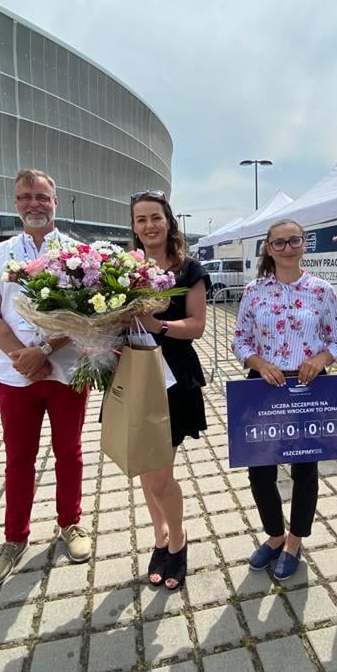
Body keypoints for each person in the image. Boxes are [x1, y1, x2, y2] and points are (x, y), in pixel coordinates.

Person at [0, 169, 92, 588]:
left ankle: (70, 525)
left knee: (70, 452)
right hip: (13, 374)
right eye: (25, 197)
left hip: (65, 370)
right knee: (19, 459)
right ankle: (13, 539)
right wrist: (21, 357)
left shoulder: (78, 253)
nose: (34, 204)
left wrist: (44, 351)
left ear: (55, 202)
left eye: (42, 197)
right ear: (15, 204)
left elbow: (87, 315)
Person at [232, 219, 337, 580]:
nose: (287, 248)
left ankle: (296, 539)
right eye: (278, 243)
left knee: (304, 468)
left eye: (293, 240)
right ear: (268, 248)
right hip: (264, 385)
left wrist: (320, 359)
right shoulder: (254, 291)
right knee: (260, 470)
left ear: (304, 243)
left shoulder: (321, 290)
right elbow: (240, 340)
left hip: (309, 388)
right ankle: (275, 535)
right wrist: (258, 362)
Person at [130, 190, 209, 590]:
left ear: (169, 221)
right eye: (141, 219)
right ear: (134, 226)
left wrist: (157, 324)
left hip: (173, 376)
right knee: (146, 470)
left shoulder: (188, 270)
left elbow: (197, 325)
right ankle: (159, 536)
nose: (149, 226)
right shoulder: (122, 271)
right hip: (133, 375)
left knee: (160, 476)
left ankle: (177, 543)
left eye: (155, 217)